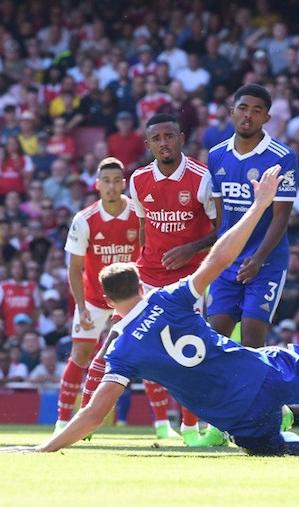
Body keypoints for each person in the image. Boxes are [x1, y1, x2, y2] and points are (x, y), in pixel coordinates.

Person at [0, 165, 299, 456]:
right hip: (264, 372)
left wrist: (43, 446)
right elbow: (219, 256)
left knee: (264, 446)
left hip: (236, 414)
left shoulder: (122, 350)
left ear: (109, 302)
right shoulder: (168, 297)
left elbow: (93, 416)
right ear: (141, 284)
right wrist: (259, 205)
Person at [129, 113, 221, 445]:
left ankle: (191, 427)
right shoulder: (138, 180)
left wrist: (191, 248)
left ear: (181, 139)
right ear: (148, 144)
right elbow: (143, 227)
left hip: (190, 279)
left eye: (169, 136)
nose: (164, 143)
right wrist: (139, 264)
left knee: (190, 350)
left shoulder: (201, 177)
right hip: (150, 276)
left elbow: (222, 230)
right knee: (149, 349)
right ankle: (160, 422)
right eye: (157, 138)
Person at [207, 84, 298, 348]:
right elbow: (221, 217)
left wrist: (258, 258)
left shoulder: (283, 157)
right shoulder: (216, 155)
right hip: (227, 263)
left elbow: (281, 217)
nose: (248, 115)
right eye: (243, 108)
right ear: (232, 111)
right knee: (214, 339)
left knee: (251, 340)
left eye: (257, 111)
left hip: (265, 264)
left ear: (266, 118)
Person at [54, 157, 139, 432]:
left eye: (116, 181)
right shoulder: (84, 219)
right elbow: (74, 267)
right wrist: (81, 308)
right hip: (94, 298)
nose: (111, 186)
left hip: (129, 299)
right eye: (106, 181)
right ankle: (62, 422)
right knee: (80, 354)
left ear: (123, 183)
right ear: (97, 184)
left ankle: (163, 424)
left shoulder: (138, 213)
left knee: (139, 355)